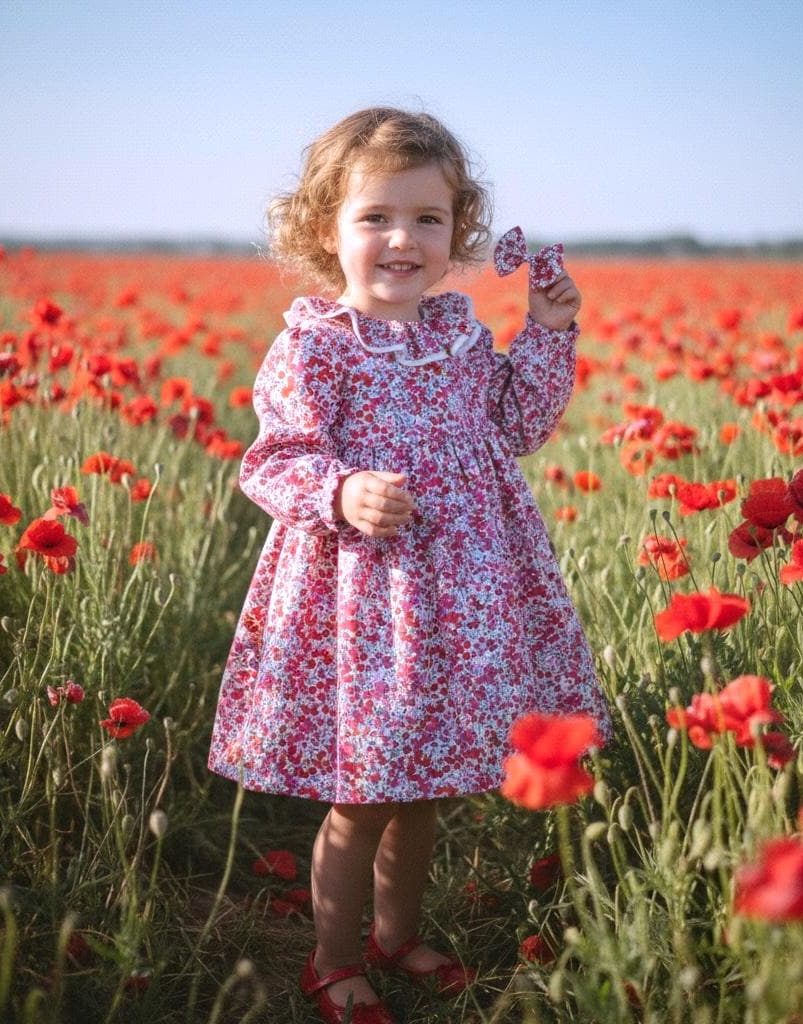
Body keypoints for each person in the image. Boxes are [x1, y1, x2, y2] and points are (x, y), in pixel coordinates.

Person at [207, 107, 612, 1023]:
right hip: (366, 600)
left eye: (428, 218)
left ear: (456, 231)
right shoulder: (316, 345)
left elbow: (517, 425)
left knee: (428, 787)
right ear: (327, 231)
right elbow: (272, 461)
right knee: (364, 792)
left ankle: (396, 936)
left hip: (462, 595)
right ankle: (332, 959)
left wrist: (547, 330)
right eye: (376, 217)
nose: (403, 239)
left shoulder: (460, 337)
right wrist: (341, 490)